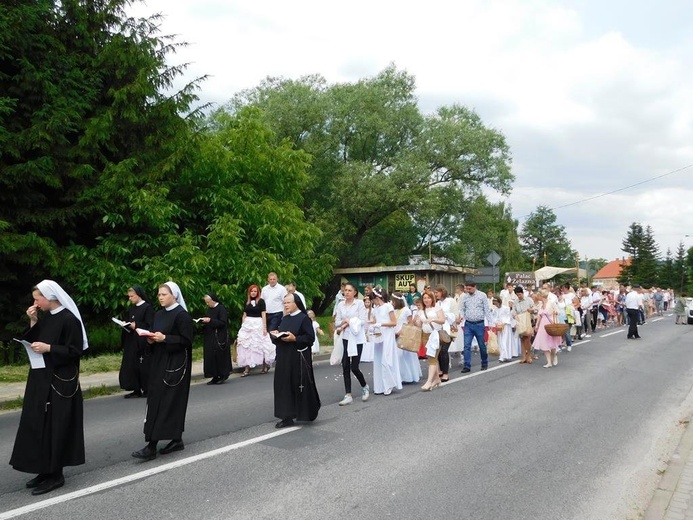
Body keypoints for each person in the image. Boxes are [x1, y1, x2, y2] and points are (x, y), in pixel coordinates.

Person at [10, 280, 88, 495]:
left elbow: (75, 351)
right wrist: (33, 321)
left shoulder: (69, 319)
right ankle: (44, 469)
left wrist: (49, 348)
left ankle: (56, 474)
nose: (35, 303)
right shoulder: (47, 318)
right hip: (41, 377)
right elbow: (36, 341)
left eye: (37, 299)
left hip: (60, 381)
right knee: (39, 424)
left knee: (56, 425)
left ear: (50, 297)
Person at [132, 281, 193, 461]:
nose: (160, 297)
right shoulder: (158, 314)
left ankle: (151, 446)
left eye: (164, 294)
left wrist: (165, 338)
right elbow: (154, 332)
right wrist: (150, 339)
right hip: (159, 361)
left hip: (175, 363)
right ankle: (176, 439)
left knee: (169, 402)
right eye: (159, 294)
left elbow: (187, 341)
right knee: (156, 400)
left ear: (174, 295)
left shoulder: (182, 315)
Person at [271, 293, 321, 428]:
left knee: (297, 385)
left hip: (297, 358)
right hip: (283, 358)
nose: (285, 305)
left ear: (296, 303)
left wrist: (295, 339)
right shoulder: (285, 318)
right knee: (283, 386)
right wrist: (276, 336)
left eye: (288, 302)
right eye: (284, 303)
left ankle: (306, 412)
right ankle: (286, 416)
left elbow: (309, 339)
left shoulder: (304, 319)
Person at [334, 282, 370, 405]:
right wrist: (344, 321)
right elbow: (337, 322)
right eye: (345, 290)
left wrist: (350, 321)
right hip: (345, 337)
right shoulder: (340, 305)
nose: (347, 292)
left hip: (357, 338)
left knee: (354, 366)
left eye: (350, 290)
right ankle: (348, 394)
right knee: (345, 365)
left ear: (354, 292)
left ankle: (364, 386)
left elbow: (363, 321)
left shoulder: (359, 304)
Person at [119, 286, 154, 398]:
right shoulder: (132, 309)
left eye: (132, 296)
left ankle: (147, 389)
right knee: (131, 366)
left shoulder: (147, 308)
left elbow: (150, 325)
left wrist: (136, 325)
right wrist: (126, 324)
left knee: (143, 366)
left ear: (138, 295)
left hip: (141, 342)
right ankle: (135, 389)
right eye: (129, 296)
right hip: (131, 341)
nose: (130, 298)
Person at [236, 284, 276, 376]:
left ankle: (265, 365)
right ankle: (247, 368)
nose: (253, 293)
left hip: (258, 324)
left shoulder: (261, 302)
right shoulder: (247, 302)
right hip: (248, 324)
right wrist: (243, 326)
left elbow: (263, 314)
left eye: (255, 291)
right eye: (252, 291)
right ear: (249, 292)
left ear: (258, 292)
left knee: (260, 345)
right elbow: (244, 314)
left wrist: (265, 328)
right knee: (246, 345)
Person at [370, 287, 402, 395]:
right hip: (379, 335)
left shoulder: (388, 306)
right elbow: (374, 320)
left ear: (377, 297)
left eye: (373, 299)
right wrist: (373, 325)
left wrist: (381, 324)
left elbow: (394, 322)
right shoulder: (376, 309)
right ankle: (380, 386)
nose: (373, 301)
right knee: (378, 359)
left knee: (386, 359)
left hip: (387, 335)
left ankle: (389, 384)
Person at [458, 282, 493, 373]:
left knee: (481, 345)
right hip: (468, 324)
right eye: (467, 289)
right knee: (466, 345)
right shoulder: (465, 297)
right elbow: (462, 309)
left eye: (470, 289)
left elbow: (486, 309)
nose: (468, 290)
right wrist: (461, 316)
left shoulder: (482, 295)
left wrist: (490, 323)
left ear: (475, 287)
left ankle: (484, 363)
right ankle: (467, 365)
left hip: (479, 324)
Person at [415, 289, 445, 390]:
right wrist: (417, 320)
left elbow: (442, 320)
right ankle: (436, 379)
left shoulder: (437, 308)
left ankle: (429, 381)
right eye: (424, 298)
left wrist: (432, 319)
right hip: (425, 334)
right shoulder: (421, 311)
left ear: (432, 299)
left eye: (428, 298)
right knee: (431, 357)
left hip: (435, 335)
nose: (426, 300)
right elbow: (419, 325)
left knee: (432, 358)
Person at [200, 291, 232, 385]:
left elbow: (222, 323)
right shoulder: (209, 309)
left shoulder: (221, 309)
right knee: (210, 355)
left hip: (219, 336)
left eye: (208, 302)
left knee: (220, 355)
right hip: (210, 336)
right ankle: (214, 375)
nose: (207, 304)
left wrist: (210, 320)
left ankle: (223, 375)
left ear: (213, 300)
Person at [391, 291, 422, 384]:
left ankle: (409, 376)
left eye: (393, 301)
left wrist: (402, 332)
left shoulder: (406, 310)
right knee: (397, 356)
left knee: (404, 355)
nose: (392, 303)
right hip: (395, 334)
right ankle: (400, 376)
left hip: (404, 334)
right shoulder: (394, 311)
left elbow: (410, 323)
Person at [532, 290, 563, 368]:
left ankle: (554, 354)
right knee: (544, 343)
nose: (537, 298)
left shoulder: (551, 303)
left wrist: (555, 312)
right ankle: (549, 362)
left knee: (551, 342)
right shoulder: (540, 305)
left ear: (541, 296)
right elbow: (539, 315)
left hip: (551, 324)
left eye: (538, 296)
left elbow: (558, 311)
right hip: (543, 325)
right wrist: (536, 325)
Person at [434, 285, 456, 382]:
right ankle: (441, 370)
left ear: (442, 292)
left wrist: (443, 315)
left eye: (437, 292)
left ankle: (446, 373)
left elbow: (455, 315)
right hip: (438, 329)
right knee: (438, 351)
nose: (435, 294)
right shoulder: (437, 303)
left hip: (448, 329)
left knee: (444, 350)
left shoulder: (450, 301)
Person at [512, 286, 535, 364]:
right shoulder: (515, 302)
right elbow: (513, 311)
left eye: (520, 294)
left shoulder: (529, 300)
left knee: (527, 339)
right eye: (517, 295)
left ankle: (529, 356)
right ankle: (524, 356)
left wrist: (531, 310)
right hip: (520, 322)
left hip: (528, 321)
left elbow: (535, 310)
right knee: (522, 339)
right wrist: (514, 315)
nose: (519, 296)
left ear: (522, 293)